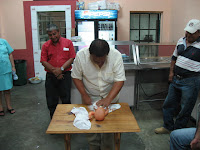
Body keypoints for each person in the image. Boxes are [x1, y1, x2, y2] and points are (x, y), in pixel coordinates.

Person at [71, 39, 126, 150]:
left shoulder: (116, 56)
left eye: (102, 61)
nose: (99, 63)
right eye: (96, 61)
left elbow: (120, 80)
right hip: (90, 96)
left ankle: (108, 147)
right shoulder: (81, 56)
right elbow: (76, 77)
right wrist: (84, 94)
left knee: (110, 128)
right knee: (90, 128)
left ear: (107, 54)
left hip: (110, 97)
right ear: (90, 54)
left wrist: (108, 98)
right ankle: (93, 147)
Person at [155, 19, 200, 134]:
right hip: (176, 79)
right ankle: (167, 126)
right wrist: (171, 73)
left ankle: (177, 132)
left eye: (192, 33)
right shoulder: (181, 41)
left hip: (191, 82)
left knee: (185, 109)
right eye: (187, 32)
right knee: (168, 104)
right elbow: (174, 58)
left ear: (199, 32)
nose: (188, 35)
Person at [40, 24, 76, 118]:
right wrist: (55, 71)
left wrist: (61, 69)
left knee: (66, 99)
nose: (53, 36)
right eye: (50, 35)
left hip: (65, 75)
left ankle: (67, 121)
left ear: (59, 32)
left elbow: (72, 57)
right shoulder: (45, 45)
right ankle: (54, 121)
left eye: (54, 34)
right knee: (51, 100)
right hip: (51, 76)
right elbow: (43, 60)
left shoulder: (68, 43)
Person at [0, 38, 16, 116]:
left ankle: (9, 107)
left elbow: (10, 54)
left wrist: (13, 66)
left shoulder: (4, 42)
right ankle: (0, 108)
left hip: (6, 69)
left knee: (7, 89)